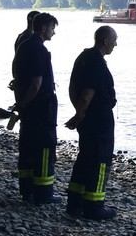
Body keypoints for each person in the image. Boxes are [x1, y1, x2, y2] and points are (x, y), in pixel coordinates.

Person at [64, 26, 119, 220]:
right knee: (100, 160)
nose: (116, 44)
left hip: (87, 117)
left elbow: (72, 87)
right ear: (105, 41)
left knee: (85, 157)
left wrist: (78, 111)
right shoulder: (96, 62)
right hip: (98, 118)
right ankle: (94, 206)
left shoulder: (83, 57)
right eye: (114, 40)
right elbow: (88, 93)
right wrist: (80, 113)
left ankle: (75, 202)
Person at [11, 12, 60, 205]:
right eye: (52, 28)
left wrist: (20, 104)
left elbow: (17, 77)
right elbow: (36, 84)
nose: (53, 33)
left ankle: (27, 190)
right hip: (41, 108)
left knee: (27, 147)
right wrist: (25, 103)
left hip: (28, 109)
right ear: (43, 28)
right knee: (45, 149)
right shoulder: (39, 50)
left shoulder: (22, 45)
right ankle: (43, 193)